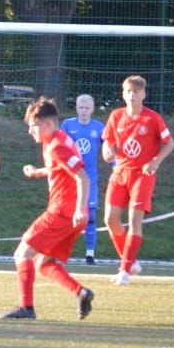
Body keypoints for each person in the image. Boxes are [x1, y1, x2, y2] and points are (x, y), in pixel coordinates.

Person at [0, 97, 94, 320]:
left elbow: (83, 178)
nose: (30, 131)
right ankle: (81, 293)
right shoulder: (55, 140)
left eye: (34, 125)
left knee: (22, 253)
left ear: (48, 123)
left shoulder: (58, 146)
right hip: (71, 214)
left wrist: (79, 208)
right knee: (43, 263)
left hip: (63, 212)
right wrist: (37, 172)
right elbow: (58, 168)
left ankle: (26, 308)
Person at [101, 75, 174, 284]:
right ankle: (131, 262)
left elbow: (169, 143)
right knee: (110, 219)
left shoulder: (152, 118)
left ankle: (124, 271)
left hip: (143, 175)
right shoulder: (116, 116)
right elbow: (108, 140)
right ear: (123, 94)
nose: (132, 95)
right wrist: (107, 149)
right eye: (128, 91)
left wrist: (156, 161)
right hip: (120, 173)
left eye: (136, 91)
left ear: (144, 94)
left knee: (134, 221)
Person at [60, 93, 105, 264]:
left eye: (87, 108)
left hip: (90, 179)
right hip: (70, 178)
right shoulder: (67, 125)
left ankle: (90, 254)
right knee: (64, 215)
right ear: (76, 108)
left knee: (90, 216)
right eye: (81, 107)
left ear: (92, 109)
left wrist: (115, 163)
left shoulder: (99, 127)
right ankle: (60, 251)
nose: (83, 111)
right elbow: (60, 147)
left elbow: (109, 148)